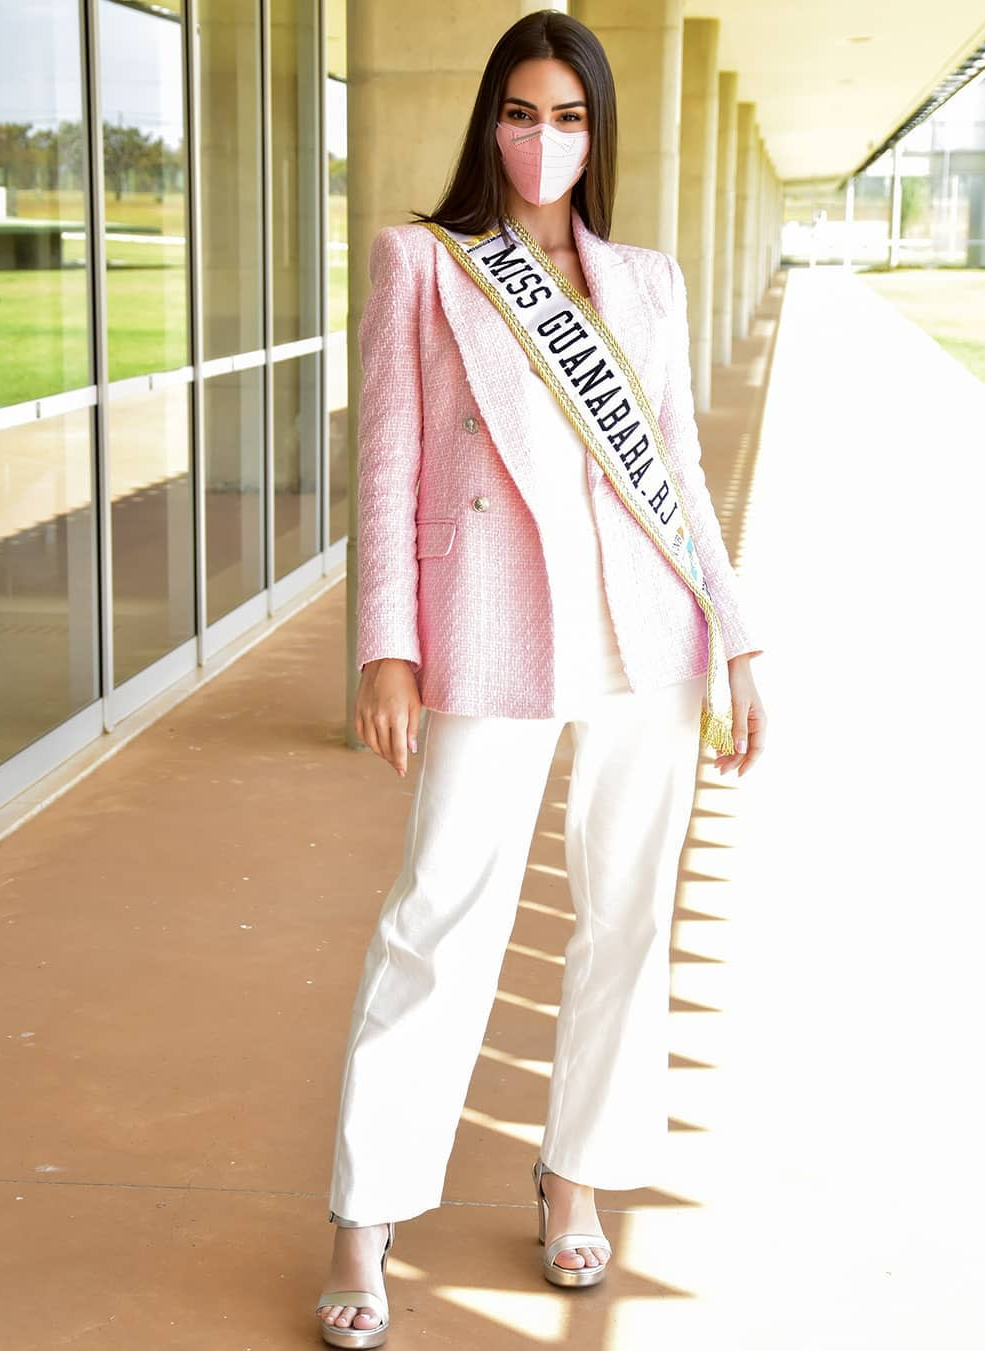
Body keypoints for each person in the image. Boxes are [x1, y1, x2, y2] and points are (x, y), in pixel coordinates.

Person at [315, 10, 766, 1346]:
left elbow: (678, 479)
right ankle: (365, 1211)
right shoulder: (426, 264)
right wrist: (383, 646)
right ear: (489, 120)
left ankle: (575, 1176)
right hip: (495, 632)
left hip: (651, 642)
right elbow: (389, 468)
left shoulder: (650, 285)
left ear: (598, 130)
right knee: (438, 920)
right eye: (522, 111)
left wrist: (740, 640)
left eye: (569, 116)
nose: (542, 139)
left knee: (625, 919)